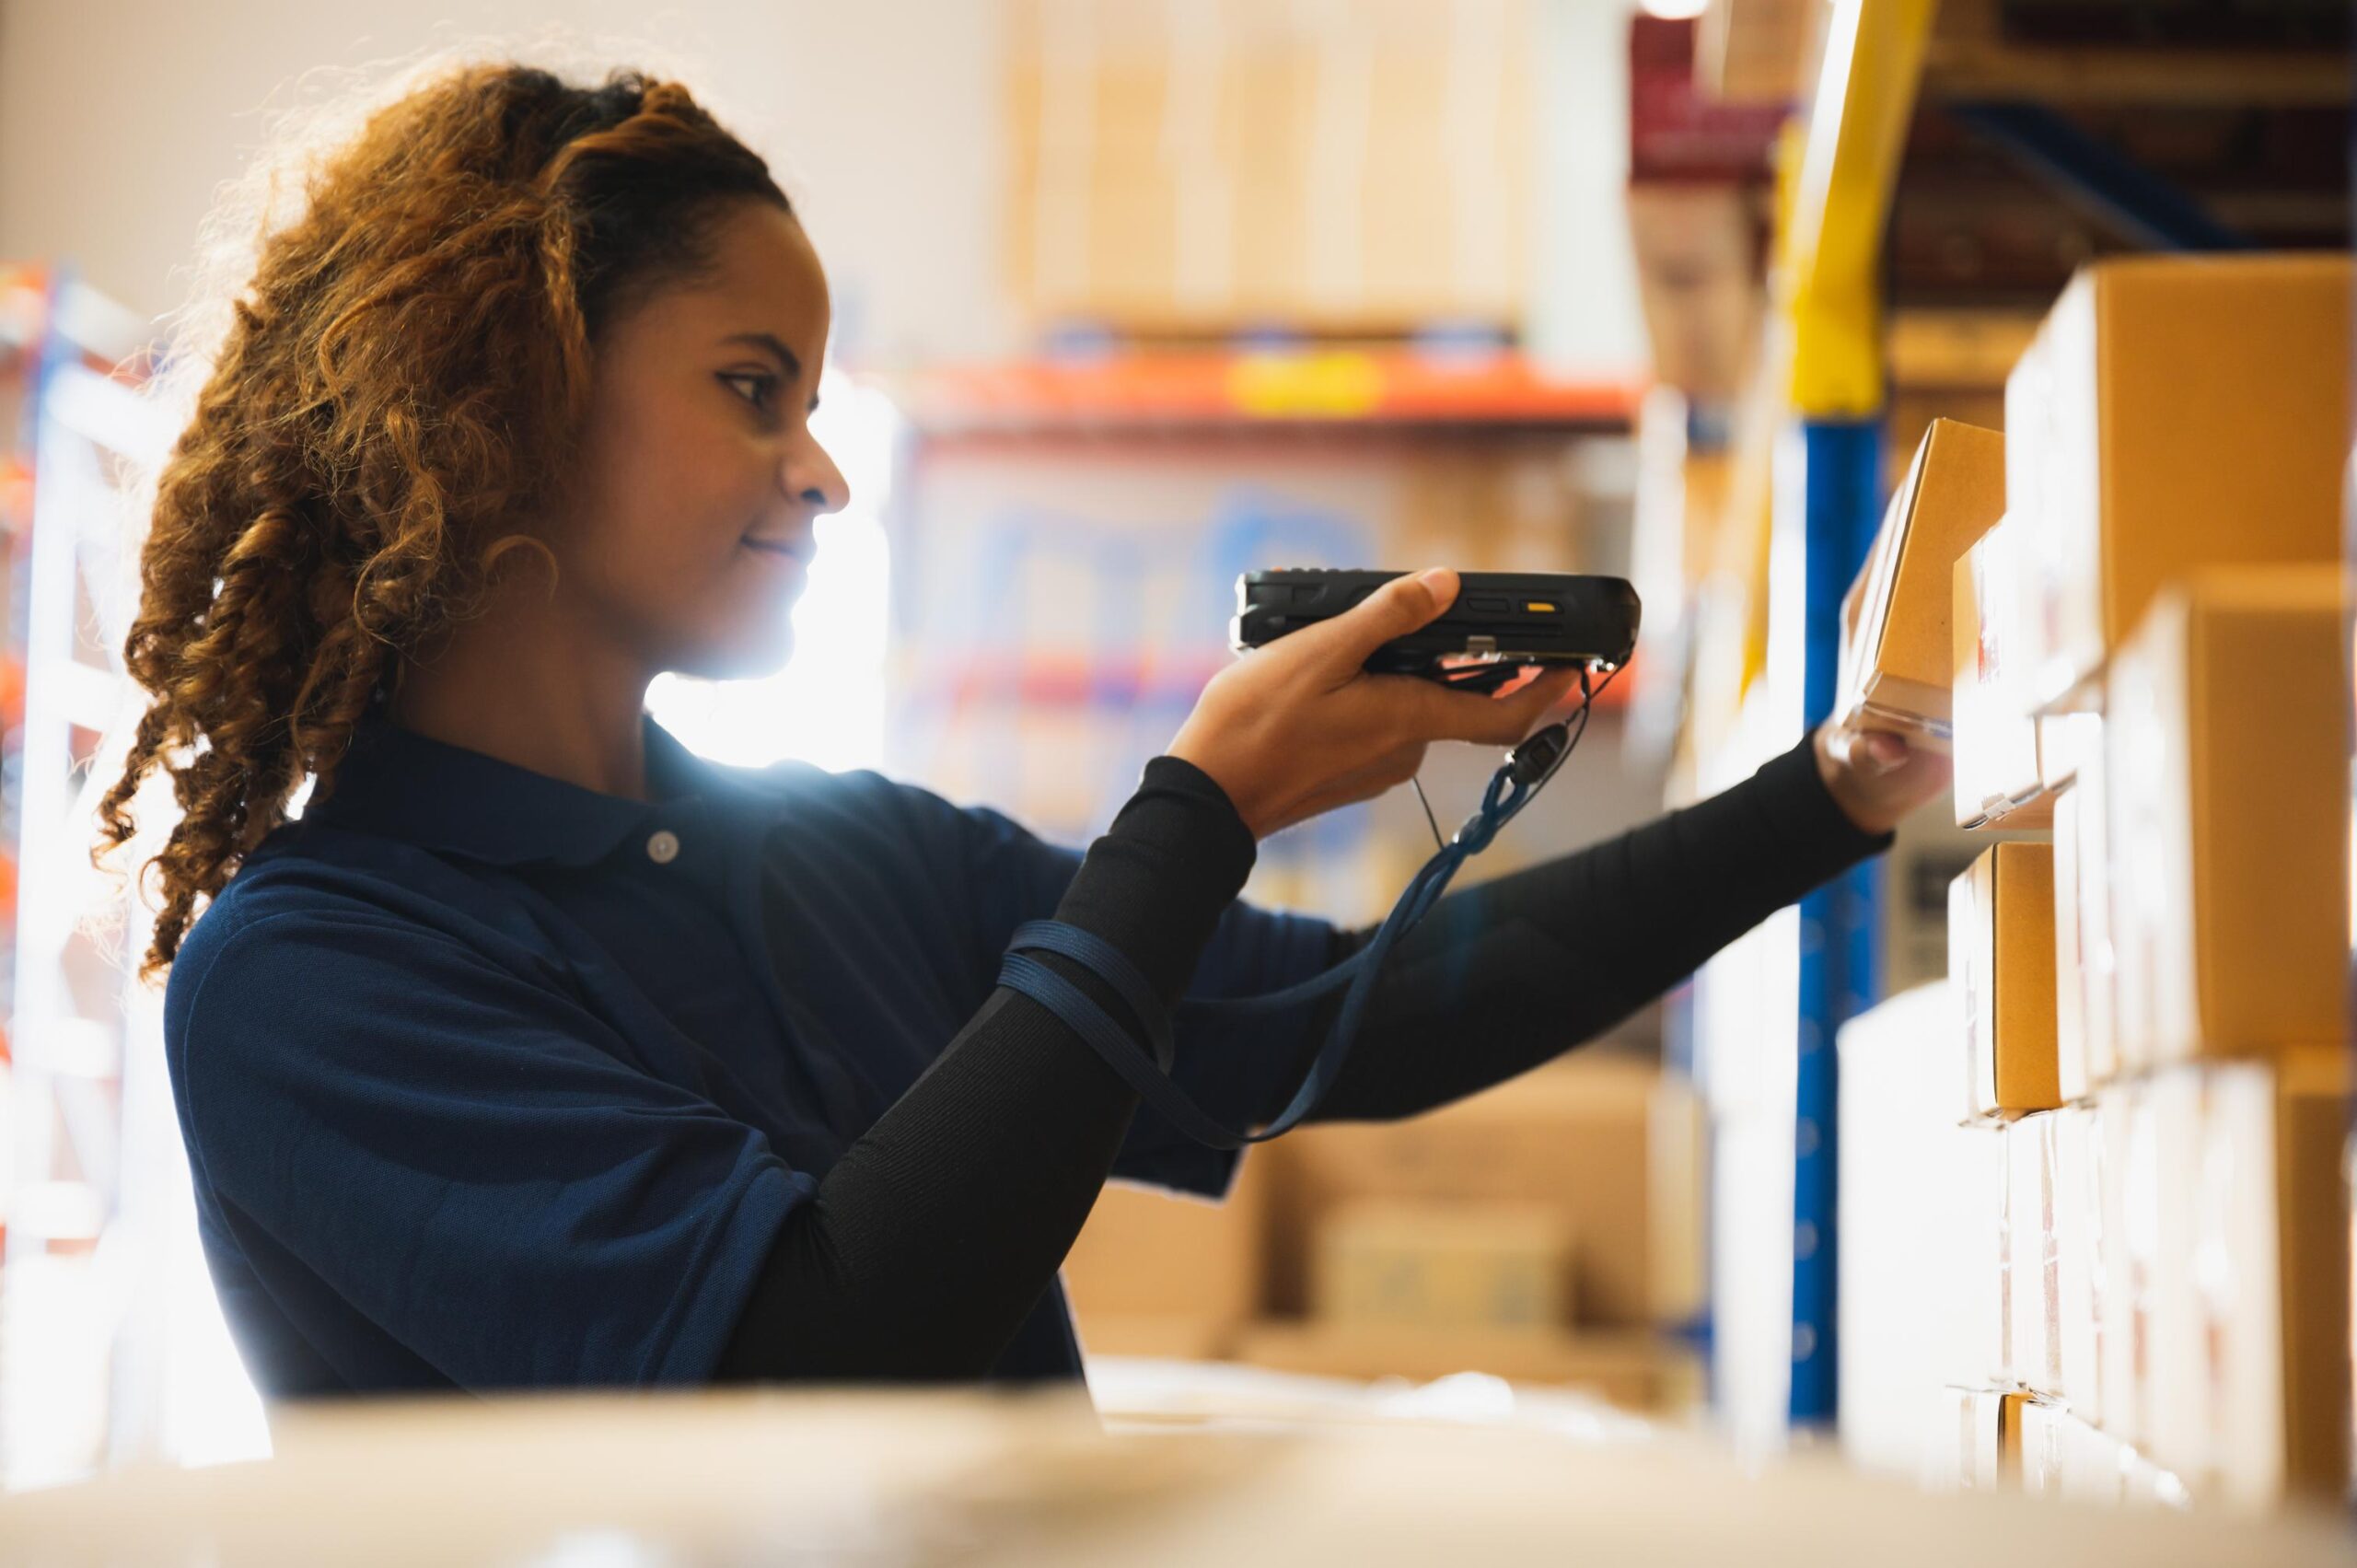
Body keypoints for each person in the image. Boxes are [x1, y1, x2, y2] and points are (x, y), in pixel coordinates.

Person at [97, 61, 1945, 1398]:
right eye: (753, 391)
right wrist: (1198, 810)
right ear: (504, 395)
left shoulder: (837, 854)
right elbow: (817, 1357)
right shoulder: (314, 975)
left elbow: (1335, 1026)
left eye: (816, 401)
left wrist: (1832, 794)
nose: (818, 471)